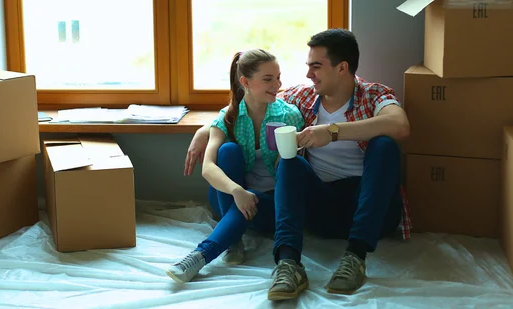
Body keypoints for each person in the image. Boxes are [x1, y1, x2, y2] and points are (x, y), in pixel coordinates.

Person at [183, 28, 412, 300]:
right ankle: (289, 263)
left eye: (316, 66)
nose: (308, 75)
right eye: (308, 66)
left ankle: (355, 257)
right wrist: (205, 130)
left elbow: (400, 126)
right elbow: (252, 100)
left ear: (342, 68)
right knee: (288, 163)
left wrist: (332, 131)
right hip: (319, 206)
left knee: (384, 145)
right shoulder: (302, 98)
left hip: (368, 208)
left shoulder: (374, 95)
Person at [167, 49, 304, 283]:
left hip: (269, 205)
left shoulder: (289, 116)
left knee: (274, 180)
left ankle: (200, 255)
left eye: (279, 77)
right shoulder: (228, 118)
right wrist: (237, 191)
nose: (277, 85)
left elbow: (293, 173)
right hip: (231, 196)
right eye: (268, 79)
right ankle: (233, 240)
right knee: (228, 151)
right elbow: (208, 167)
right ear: (245, 82)